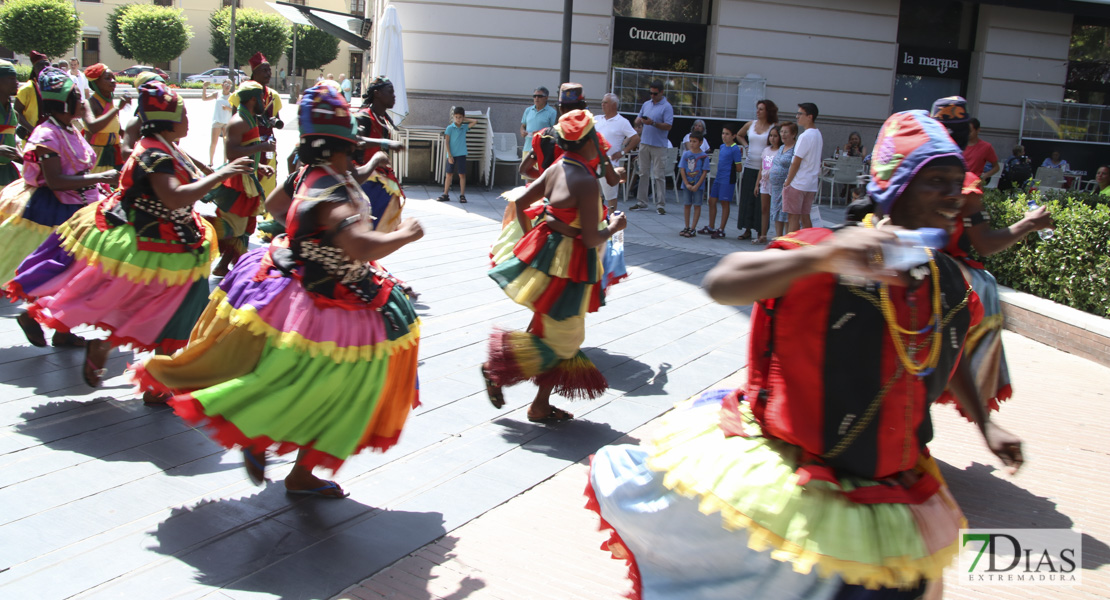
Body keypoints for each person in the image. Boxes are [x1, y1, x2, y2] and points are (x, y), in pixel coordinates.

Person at [586, 110, 1025, 600]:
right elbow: (723, 281)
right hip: (803, 485)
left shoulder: (947, 281)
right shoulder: (827, 250)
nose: (953, 195)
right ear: (897, 186)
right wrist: (821, 258)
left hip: (895, 489)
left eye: (955, 180)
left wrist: (986, 425)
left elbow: (949, 352)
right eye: (936, 181)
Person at [133, 83, 424, 499]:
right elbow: (359, 245)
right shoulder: (333, 188)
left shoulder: (310, 174)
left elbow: (274, 205)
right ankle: (281, 453)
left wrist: (310, 236)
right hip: (332, 300)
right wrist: (405, 235)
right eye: (353, 147)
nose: (357, 153)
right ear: (341, 146)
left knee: (299, 376)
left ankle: (284, 456)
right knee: (344, 386)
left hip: (292, 280)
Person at [6, 81, 253, 392]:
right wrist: (223, 174)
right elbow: (174, 197)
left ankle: (133, 367)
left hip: (174, 238)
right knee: (168, 305)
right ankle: (148, 379)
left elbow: (191, 178)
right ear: (170, 121)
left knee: (164, 305)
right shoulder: (154, 154)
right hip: (154, 241)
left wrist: (223, 171)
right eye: (185, 114)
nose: (189, 120)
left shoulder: (164, 146)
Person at [482, 109, 627, 423]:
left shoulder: (559, 166)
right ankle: (498, 369)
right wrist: (615, 226)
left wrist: (529, 238)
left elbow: (521, 203)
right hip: (572, 262)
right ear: (590, 140)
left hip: (550, 256)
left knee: (547, 327)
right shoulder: (586, 181)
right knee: (564, 339)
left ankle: (539, 404)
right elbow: (591, 238)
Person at [928, 97, 1053, 420]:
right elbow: (983, 244)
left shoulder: (900, 168)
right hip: (939, 272)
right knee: (984, 288)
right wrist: (1030, 223)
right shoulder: (964, 183)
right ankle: (976, 390)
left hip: (894, 261)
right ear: (963, 134)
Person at [0, 67, 117, 348]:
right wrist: (100, 177)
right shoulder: (47, 134)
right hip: (54, 211)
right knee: (65, 271)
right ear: (64, 102)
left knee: (82, 273)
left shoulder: (68, 127)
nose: (82, 101)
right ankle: (34, 317)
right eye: (78, 97)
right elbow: (54, 181)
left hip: (82, 205)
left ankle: (61, 330)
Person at [206, 80, 276, 276]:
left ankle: (223, 266)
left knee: (245, 226)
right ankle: (208, 255)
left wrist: (259, 166)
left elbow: (246, 153)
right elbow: (232, 153)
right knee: (233, 226)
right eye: (262, 98)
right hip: (237, 183)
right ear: (253, 99)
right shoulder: (238, 121)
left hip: (248, 179)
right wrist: (261, 148)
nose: (265, 101)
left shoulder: (251, 119)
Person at [353, 75, 407, 233]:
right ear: (377, 93)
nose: (394, 96)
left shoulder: (382, 120)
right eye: (390, 91)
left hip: (377, 177)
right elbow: (356, 140)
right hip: (363, 179)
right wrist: (385, 143)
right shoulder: (362, 117)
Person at [228, 53, 283, 198]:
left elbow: (276, 119)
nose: (268, 74)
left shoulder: (274, 96)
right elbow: (235, 120)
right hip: (246, 149)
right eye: (264, 70)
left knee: (267, 188)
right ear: (254, 73)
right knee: (245, 191)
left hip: (267, 148)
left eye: (269, 70)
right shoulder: (243, 94)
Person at [735, 99, 778, 239]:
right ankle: (747, 229)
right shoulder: (751, 124)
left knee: (762, 199)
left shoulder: (773, 126)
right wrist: (746, 146)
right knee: (747, 198)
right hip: (750, 164)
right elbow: (739, 135)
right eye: (757, 108)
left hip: (765, 166)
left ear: (768, 111)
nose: (758, 111)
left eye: (761, 109)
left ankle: (761, 230)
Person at [632, 80, 673, 215]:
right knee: (643, 173)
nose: (652, 96)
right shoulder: (646, 104)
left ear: (661, 92)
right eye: (650, 93)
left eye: (655, 94)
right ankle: (641, 202)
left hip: (659, 145)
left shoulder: (667, 107)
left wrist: (653, 123)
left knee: (659, 175)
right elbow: (638, 119)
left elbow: (668, 126)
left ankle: (660, 204)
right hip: (644, 143)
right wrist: (639, 121)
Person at [82, 64, 131, 174]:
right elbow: (93, 127)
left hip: (115, 154)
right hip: (98, 157)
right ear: (96, 83)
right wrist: (118, 108)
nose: (113, 81)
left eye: (113, 77)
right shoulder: (89, 103)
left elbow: (116, 130)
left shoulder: (110, 102)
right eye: (107, 78)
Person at [593, 93, 639, 213]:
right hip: (593, 163)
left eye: (605, 102)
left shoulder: (622, 122)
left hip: (610, 164)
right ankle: (598, 219)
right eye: (602, 102)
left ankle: (612, 220)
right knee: (595, 194)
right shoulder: (597, 119)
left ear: (614, 105)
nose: (602, 104)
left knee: (611, 196)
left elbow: (635, 138)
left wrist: (623, 152)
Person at [782, 102, 822, 233]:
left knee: (793, 218)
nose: (797, 116)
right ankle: (807, 246)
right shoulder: (817, 134)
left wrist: (788, 182)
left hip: (798, 183)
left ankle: (791, 248)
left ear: (810, 116)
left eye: (800, 114)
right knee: (805, 217)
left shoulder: (805, 136)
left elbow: (796, 161)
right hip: (810, 183)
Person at [700, 124, 743, 239]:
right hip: (718, 178)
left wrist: (732, 168)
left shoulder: (735, 149)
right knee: (711, 201)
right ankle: (711, 226)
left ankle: (721, 229)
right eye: (723, 133)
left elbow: (739, 168)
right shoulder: (722, 147)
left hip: (727, 179)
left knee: (725, 203)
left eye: (727, 134)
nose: (724, 136)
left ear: (733, 136)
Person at [438, 106, 477, 203]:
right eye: (456, 117)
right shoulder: (450, 128)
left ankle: (462, 195)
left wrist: (465, 119)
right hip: (451, 154)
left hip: (461, 154)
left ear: (462, 117)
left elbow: (475, 121)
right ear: (453, 117)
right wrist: (449, 155)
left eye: (460, 117)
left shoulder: (464, 127)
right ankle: (445, 194)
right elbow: (447, 142)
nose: (458, 119)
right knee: (449, 174)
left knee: (462, 175)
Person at [767, 122, 797, 239]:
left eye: (786, 132)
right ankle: (778, 237)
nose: (783, 134)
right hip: (775, 186)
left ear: (793, 134)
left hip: (787, 186)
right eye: (782, 132)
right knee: (776, 212)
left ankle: (787, 238)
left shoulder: (795, 149)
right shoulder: (781, 148)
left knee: (785, 213)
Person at [677, 132, 709, 237]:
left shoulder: (704, 156)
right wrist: (686, 183)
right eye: (690, 141)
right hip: (687, 184)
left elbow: (704, 172)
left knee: (697, 205)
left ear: (700, 142)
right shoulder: (686, 154)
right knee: (687, 204)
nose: (692, 143)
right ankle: (686, 226)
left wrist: (697, 185)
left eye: (694, 141)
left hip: (697, 185)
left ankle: (693, 228)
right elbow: (682, 169)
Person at [755, 124, 781, 244]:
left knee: (776, 209)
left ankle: (778, 235)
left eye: (775, 136)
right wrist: (757, 184)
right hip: (765, 182)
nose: (772, 138)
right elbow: (761, 168)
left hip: (775, 183)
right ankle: (763, 234)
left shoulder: (781, 151)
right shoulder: (766, 150)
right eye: (771, 135)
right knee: (764, 209)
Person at [14, 51, 51, 136]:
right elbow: (16, 111)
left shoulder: (52, 87)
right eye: (40, 65)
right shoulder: (26, 89)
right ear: (34, 69)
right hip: (31, 137)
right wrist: (32, 130)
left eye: (47, 64)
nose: (45, 67)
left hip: (50, 136)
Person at [0, 60, 23, 187]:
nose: (17, 82)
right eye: (11, 78)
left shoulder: (14, 114)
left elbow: (11, 149)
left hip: (8, 176)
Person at [204, 80, 234, 166]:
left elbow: (235, 109)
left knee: (226, 143)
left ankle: (225, 162)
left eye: (230, 84)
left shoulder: (232, 96)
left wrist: (227, 108)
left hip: (226, 123)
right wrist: (204, 88)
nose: (228, 86)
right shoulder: (217, 94)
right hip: (217, 121)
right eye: (226, 84)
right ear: (222, 85)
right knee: (213, 142)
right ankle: (210, 162)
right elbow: (204, 98)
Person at [963, 117, 998, 183]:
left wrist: (985, 176)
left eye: (970, 131)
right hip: (960, 184)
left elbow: (996, 167)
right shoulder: (959, 145)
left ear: (978, 130)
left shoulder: (986, 147)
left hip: (974, 185)